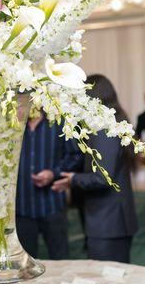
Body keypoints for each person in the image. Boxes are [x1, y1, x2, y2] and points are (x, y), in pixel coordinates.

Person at [52, 74, 138, 263]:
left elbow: (102, 178)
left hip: (108, 222)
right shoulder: (112, 124)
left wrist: (73, 179)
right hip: (112, 220)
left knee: (108, 276)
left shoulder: (104, 131)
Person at [15, 111, 80, 260]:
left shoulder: (58, 123)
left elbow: (75, 155)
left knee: (60, 259)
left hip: (52, 205)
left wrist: (53, 173)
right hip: (22, 207)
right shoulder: (13, 125)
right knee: (25, 264)